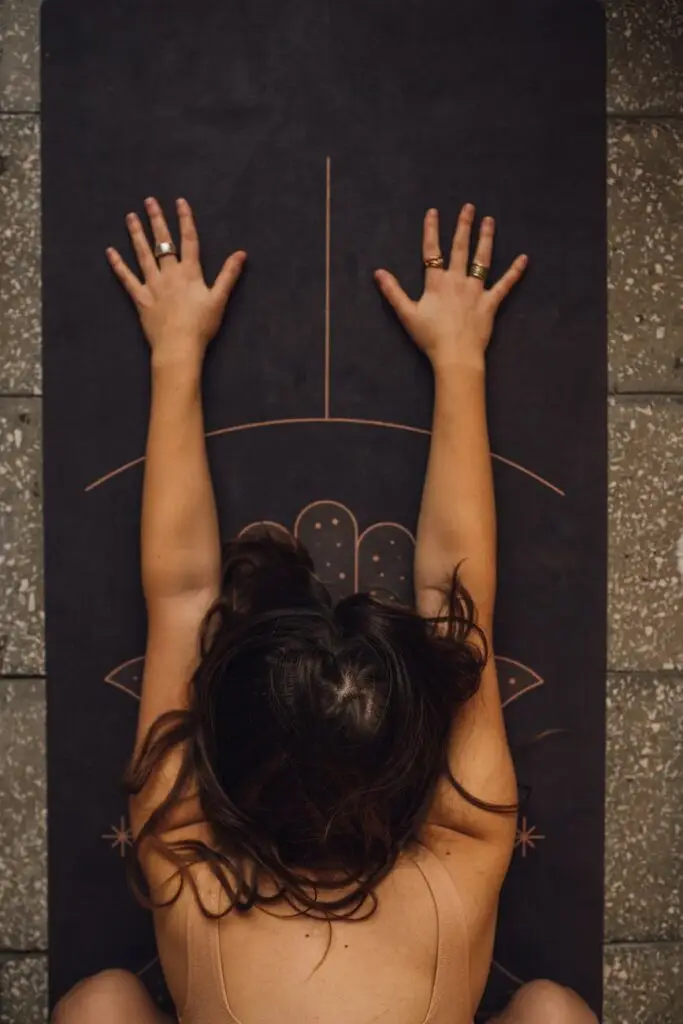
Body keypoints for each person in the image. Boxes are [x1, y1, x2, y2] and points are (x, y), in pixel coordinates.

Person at [53, 198, 598, 1024]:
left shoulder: (187, 864)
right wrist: (460, 358)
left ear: (212, 756)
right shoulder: (465, 854)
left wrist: (174, 352)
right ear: (420, 751)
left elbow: (181, 595)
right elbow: (459, 594)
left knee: (101, 1005)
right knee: (552, 1011)